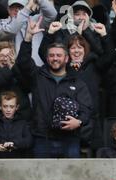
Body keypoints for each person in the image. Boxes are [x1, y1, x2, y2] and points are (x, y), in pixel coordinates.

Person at [16, 16, 92, 158]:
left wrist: (79, 121)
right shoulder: (37, 76)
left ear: (66, 58)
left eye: (58, 55)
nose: (55, 58)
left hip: (70, 139)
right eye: (51, 55)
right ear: (47, 58)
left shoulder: (77, 81)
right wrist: (28, 38)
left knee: (71, 179)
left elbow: (86, 108)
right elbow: (23, 61)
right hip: (42, 138)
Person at [0, 0, 57, 66]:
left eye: (21, 7)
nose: (17, 9)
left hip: (37, 69)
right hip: (14, 70)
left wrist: (39, 1)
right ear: (8, 9)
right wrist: (26, 10)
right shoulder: (2, 23)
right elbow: (12, 30)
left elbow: (52, 15)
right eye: (14, 7)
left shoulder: (35, 20)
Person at [0, 90, 32, 158]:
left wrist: (14, 143)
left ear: (17, 107)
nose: (8, 110)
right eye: (5, 106)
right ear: (0, 106)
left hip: (18, 161)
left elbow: (29, 141)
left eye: (11, 107)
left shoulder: (23, 123)